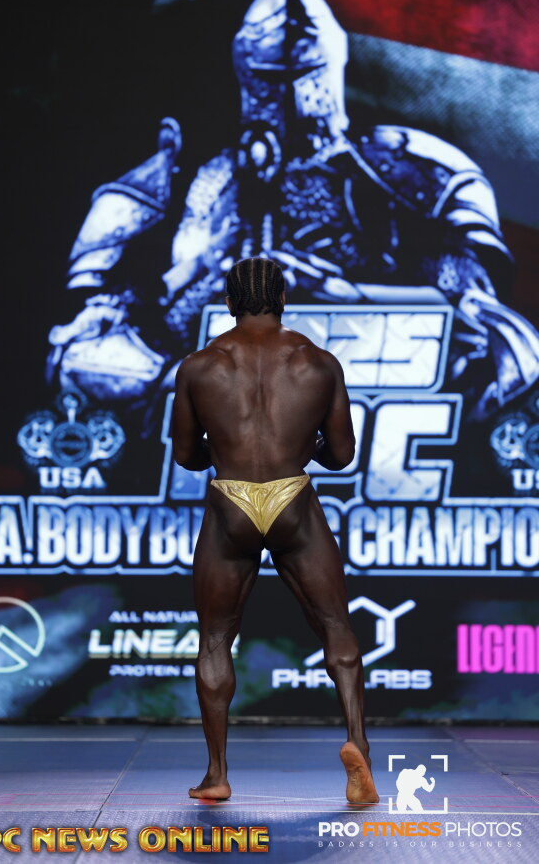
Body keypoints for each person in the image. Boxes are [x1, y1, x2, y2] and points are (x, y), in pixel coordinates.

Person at [171, 256, 378, 806]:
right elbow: (341, 455)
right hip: (292, 499)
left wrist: (226, 451)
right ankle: (358, 746)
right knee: (335, 626)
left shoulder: (198, 366)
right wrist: (301, 447)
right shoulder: (319, 362)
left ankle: (216, 774)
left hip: (231, 503)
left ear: (229, 303)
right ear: (283, 300)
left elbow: (187, 456)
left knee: (216, 638)